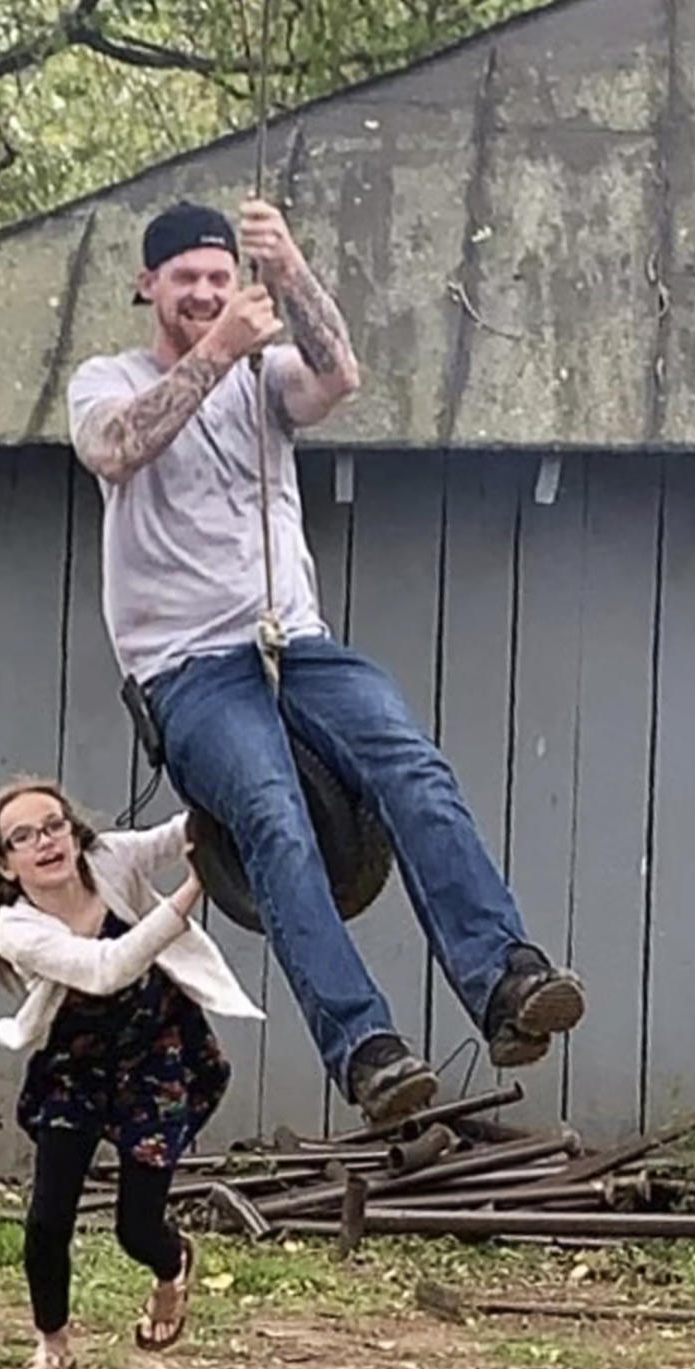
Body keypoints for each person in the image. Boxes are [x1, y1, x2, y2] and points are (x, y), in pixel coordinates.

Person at [66, 197, 585, 1128]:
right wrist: (220, 347)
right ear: (147, 284)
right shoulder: (106, 377)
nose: (205, 292)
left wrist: (292, 267)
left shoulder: (267, 380)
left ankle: (507, 982)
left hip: (293, 643)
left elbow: (340, 374)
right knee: (271, 814)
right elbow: (116, 448)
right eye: (186, 277)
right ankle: (367, 1050)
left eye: (221, 277)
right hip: (188, 671)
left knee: (411, 766)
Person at [0, 777, 262, 1369]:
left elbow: (181, 833)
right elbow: (105, 970)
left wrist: (238, 795)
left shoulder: (108, 858)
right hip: (75, 1067)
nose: (45, 842)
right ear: (6, 864)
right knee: (48, 1222)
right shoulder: (15, 929)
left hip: (158, 1057)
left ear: (72, 832)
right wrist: (189, 893)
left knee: (136, 1228)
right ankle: (51, 1352)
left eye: (53, 826)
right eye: (24, 837)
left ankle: (172, 1265)